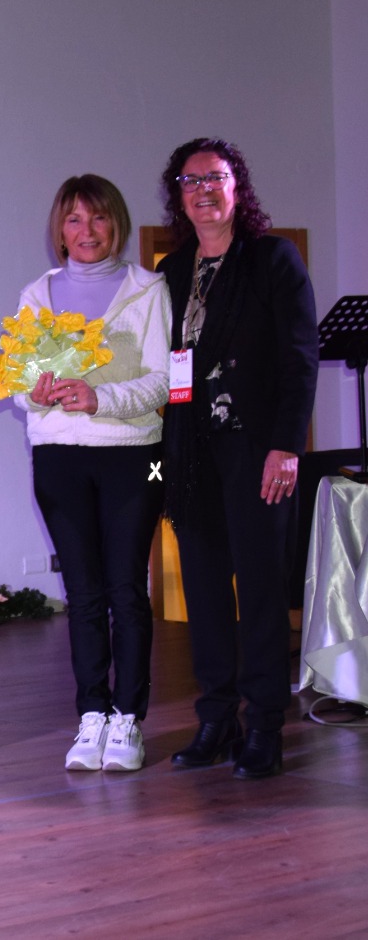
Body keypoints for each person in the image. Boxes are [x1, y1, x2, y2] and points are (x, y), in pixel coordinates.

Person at [157, 138, 319, 779]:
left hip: (258, 450)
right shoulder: (172, 271)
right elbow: (165, 364)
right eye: (190, 181)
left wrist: (287, 446)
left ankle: (265, 726)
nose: (203, 190)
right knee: (203, 590)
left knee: (259, 590)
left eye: (215, 178)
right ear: (178, 196)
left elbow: (299, 359)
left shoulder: (273, 258)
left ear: (236, 186)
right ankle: (217, 719)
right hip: (190, 454)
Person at [10, 175, 170, 771]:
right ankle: (92, 715)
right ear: (60, 229)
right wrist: (35, 391)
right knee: (81, 592)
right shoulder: (37, 293)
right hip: (59, 455)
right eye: (74, 219)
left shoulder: (148, 289)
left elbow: (163, 382)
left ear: (116, 224)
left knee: (126, 587)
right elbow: (19, 383)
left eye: (98, 218)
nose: (87, 230)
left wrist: (99, 398)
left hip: (137, 455)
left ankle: (128, 719)